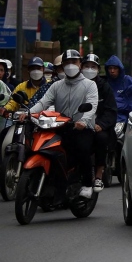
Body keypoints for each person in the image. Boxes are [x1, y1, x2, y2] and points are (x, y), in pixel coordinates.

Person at [23, 50, 99, 199]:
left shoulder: (90, 85)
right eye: (67, 63)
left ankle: (88, 184)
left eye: (74, 62)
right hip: (60, 127)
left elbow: (92, 105)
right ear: (62, 66)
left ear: (80, 64)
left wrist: (83, 121)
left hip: (82, 128)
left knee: (82, 149)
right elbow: (43, 102)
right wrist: (28, 114)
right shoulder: (56, 86)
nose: (71, 66)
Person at [82, 54, 117, 192]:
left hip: (98, 126)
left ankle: (98, 175)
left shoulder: (104, 87)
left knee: (101, 139)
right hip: (78, 124)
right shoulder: (76, 84)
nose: (89, 69)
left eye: (93, 67)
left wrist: (100, 124)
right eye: (86, 66)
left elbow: (111, 111)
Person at [105, 55, 132, 124]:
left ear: (119, 69)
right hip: (108, 118)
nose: (112, 71)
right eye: (110, 68)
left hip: (126, 119)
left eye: (115, 68)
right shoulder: (105, 83)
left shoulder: (127, 80)